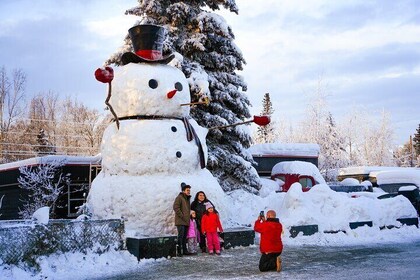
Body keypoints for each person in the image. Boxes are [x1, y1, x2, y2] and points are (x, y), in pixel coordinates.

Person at [173, 184, 192, 256]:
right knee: (180, 236)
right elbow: (176, 207)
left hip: (186, 221)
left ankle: (184, 250)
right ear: (183, 191)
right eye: (187, 190)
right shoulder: (179, 197)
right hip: (180, 221)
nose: (189, 192)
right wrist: (182, 216)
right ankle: (179, 251)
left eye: (189, 190)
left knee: (184, 237)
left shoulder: (187, 199)